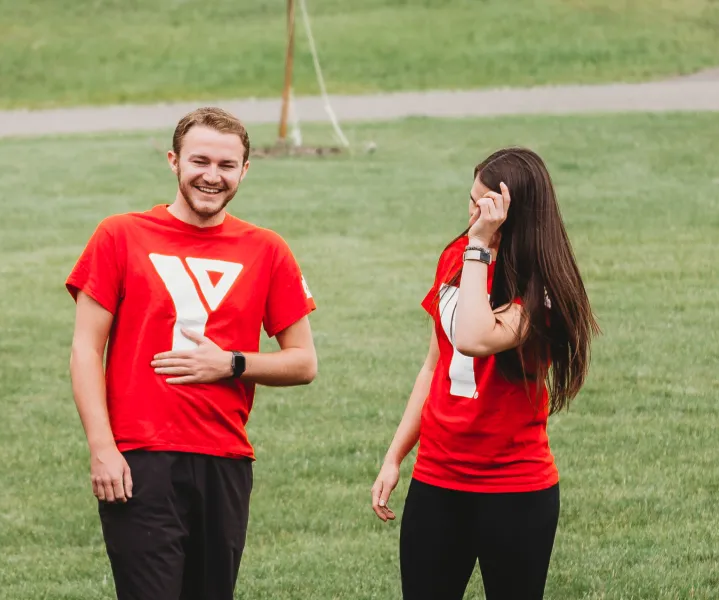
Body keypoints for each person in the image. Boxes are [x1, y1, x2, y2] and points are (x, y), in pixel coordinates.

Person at [65, 106, 319, 600]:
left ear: (245, 170)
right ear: (173, 161)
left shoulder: (267, 250)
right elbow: (84, 349)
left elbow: (304, 362)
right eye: (199, 161)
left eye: (226, 166)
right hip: (141, 461)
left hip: (225, 459)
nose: (211, 176)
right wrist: (103, 449)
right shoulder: (120, 235)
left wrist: (231, 363)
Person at [370, 147, 599, 599]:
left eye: (484, 205)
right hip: (436, 477)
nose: (472, 212)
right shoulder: (456, 255)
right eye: (471, 200)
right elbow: (434, 363)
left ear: (513, 211)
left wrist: (480, 249)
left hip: (515, 487)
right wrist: (395, 457)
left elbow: (475, 337)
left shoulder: (542, 284)